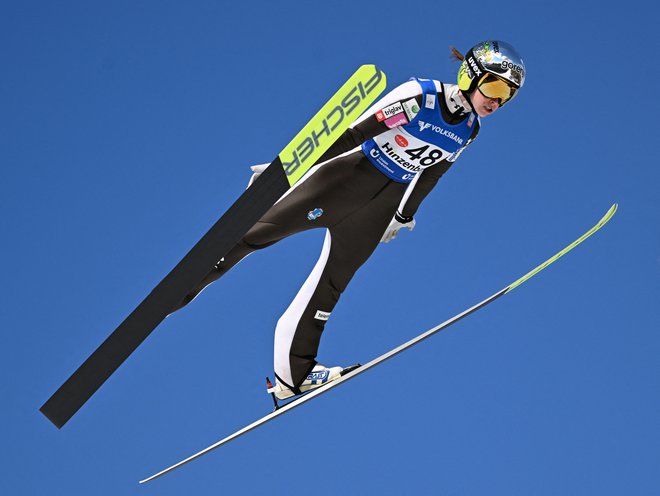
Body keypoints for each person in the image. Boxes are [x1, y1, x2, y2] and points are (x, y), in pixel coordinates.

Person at [173, 40, 526, 400]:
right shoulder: (423, 97)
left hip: (378, 209)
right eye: (495, 87)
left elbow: (432, 174)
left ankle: (294, 375)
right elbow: (354, 133)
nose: (496, 101)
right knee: (250, 236)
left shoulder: (469, 129)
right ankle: (177, 291)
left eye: (507, 96)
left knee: (330, 287)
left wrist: (404, 215)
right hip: (343, 181)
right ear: (470, 74)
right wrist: (288, 173)